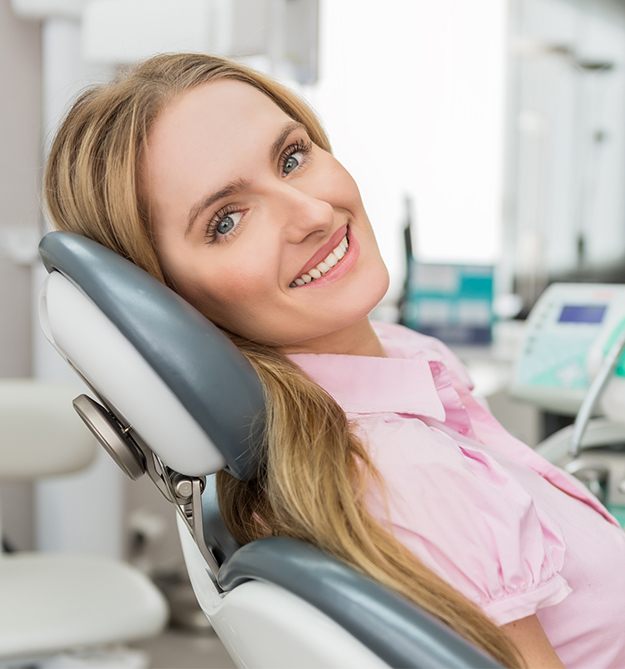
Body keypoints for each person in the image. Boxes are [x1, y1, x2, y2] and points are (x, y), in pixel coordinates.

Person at [43, 53, 625, 669]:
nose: (315, 214)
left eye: (292, 158)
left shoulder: (392, 377)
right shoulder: (406, 475)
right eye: (226, 221)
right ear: (171, 304)